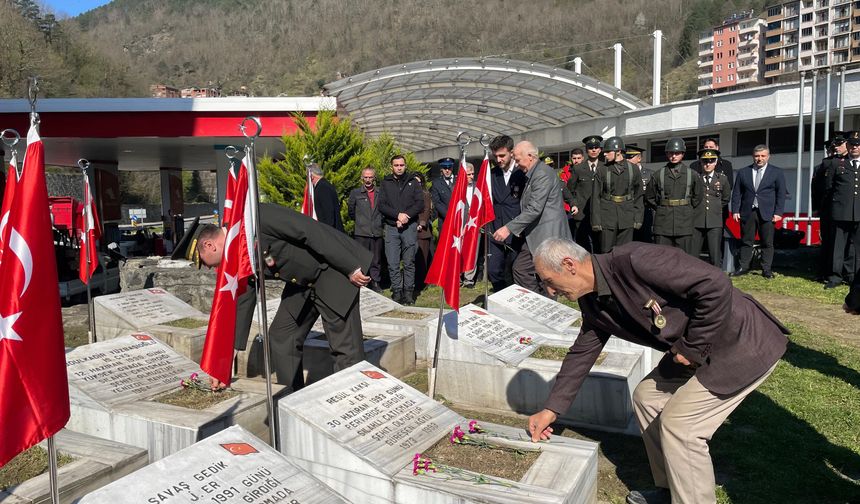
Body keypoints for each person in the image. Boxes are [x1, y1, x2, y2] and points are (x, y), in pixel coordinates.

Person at [527, 237, 788, 504]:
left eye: (549, 281)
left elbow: (715, 284)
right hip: (696, 351)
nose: (550, 291)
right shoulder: (592, 301)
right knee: (647, 397)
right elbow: (582, 352)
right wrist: (552, 409)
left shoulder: (635, 260)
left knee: (682, 427)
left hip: (740, 343)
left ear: (569, 265)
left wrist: (691, 348)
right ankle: (672, 488)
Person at [193, 203, 372, 393]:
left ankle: (354, 399)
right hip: (302, 284)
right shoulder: (236, 248)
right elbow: (247, 294)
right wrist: (228, 359)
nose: (208, 268)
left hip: (333, 271)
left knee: (345, 349)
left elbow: (308, 230)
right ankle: (293, 398)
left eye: (202, 261)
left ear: (209, 245)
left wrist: (350, 266)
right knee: (282, 336)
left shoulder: (257, 217)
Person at [492, 141, 570, 295]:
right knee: (524, 270)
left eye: (518, 159)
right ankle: (538, 301)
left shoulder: (542, 174)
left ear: (530, 156)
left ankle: (542, 303)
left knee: (541, 273)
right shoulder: (532, 173)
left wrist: (508, 228)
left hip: (547, 234)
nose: (517, 164)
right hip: (536, 233)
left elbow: (534, 209)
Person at [731, 144, 786, 279]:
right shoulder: (743, 172)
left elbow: (781, 193)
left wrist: (778, 213)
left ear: (768, 157)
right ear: (753, 156)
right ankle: (744, 266)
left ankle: (766, 269)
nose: (759, 159)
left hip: (767, 213)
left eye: (762, 156)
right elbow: (737, 193)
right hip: (747, 212)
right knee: (746, 240)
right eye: (757, 156)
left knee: (767, 242)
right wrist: (735, 210)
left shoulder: (776, 172)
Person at [378, 155, 424, 305]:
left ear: (405, 166)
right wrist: (397, 216)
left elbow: (419, 204)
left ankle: (408, 292)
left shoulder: (413, 182)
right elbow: (382, 205)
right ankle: (397, 291)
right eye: (396, 165)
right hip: (391, 227)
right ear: (392, 167)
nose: (399, 167)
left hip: (409, 227)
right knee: (392, 263)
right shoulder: (385, 183)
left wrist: (406, 216)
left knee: (409, 262)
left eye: (401, 165)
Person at [645, 137, 702, 255]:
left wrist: (685, 207)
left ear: (683, 154)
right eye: (671, 153)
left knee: (684, 258)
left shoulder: (692, 175)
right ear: (667, 154)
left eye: (677, 153)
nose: (674, 156)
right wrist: (662, 206)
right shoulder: (658, 175)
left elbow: (698, 198)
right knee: (662, 258)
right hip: (663, 222)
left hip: (684, 222)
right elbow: (650, 197)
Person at [591, 136, 644, 253]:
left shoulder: (634, 169)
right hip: (607, 217)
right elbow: (596, 197)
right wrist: (596, 222)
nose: (604, 155)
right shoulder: (602, 170)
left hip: (627, 216)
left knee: (625, 252)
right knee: (606, 251)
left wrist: (638, 219)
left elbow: (639, 196)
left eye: (607, 152)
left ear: (618, 151)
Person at [487, 135, 526, 292]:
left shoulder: (521, 173)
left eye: (502, 155)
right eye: (495, 156)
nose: (499, 159)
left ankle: (512, 297)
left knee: (513, 269)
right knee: (493, 269)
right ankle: (499, 293)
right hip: (495, 227)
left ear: (511, 153)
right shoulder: (492, 173)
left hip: (515, 228)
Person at [823, 131, 860, 289]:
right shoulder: (837, 164)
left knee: (856, 248)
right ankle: (835, 276)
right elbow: (828, 188)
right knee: (838, 246)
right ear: (848, 146)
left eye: (858, 145)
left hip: (859, 213)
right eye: (851, 144)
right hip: (840, 212)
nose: (854, 147)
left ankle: (854, 276)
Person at [692, 148, 731, 267]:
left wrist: (715, 209)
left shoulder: (722, 179)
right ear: (701, 163)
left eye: (711, 161)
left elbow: (725, 198)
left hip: (714, 221)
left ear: (715, 162)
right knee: (693, 254)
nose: (708, 164)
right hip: (696, 220)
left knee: (715, 253)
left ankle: (716, 278)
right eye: (705, 161)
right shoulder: (695, 178)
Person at [348, 167, 383, 292]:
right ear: (362, 178)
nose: (368, 180)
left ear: (374, 178)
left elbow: (383, 210)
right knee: (361, 259)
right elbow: (351, 211)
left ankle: (376, 283)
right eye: (365, 177)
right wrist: (361, 222)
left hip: (377, 231)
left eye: (370, 177)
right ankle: (362, 282)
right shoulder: (356, 193)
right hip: (361, 232)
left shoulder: (380, 192)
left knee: (376, 260)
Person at [626, 145, 654, 243]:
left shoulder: (650, 174)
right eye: (626, 157)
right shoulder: (625, 174)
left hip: (645, 211)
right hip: (628, 211)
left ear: (639, 158)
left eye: (631, 157)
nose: (628, 160)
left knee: (645, 241)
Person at [309, 163, 344, 232]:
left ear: (311, 176)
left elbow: (328, 212)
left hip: (330, 232)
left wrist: (327, 232)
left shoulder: (322, 187)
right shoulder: (323, 185)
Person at [414, 172, 434, 292]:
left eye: (419, 182)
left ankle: (422, 282)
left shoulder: (425, 194)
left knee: (422, 257)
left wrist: (421, 223)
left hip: (422, 230)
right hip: (410, 229)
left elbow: (427, 210)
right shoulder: (408, 194)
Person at [430, 157, 456, 229]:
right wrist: (449, 215)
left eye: (449, 168)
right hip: (445, 220)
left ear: (452, 168)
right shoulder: (436, 183)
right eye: (445, 168)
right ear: (441, 169)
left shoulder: (459, 180)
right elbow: (437, 202)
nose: (447, 170)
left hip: (459, 218)